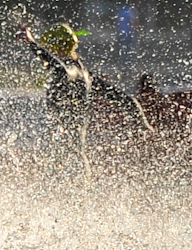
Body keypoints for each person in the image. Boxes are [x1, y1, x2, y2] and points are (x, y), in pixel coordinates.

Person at [17, 22, 149, 164]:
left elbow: (60, 69)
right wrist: (144, 126)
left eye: (48, 49)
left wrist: (31, 44)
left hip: (65, 163)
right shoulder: (85, 74)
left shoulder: (70, 72)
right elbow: (126, 99)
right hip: (76, 160)